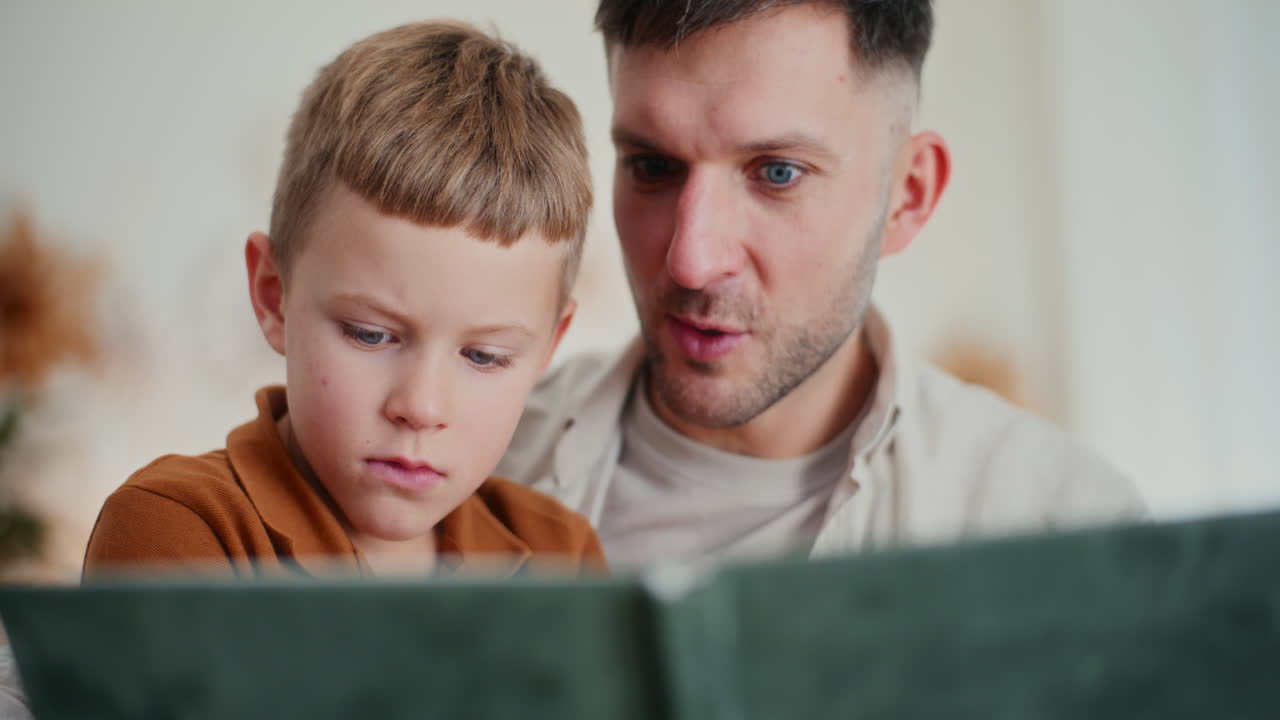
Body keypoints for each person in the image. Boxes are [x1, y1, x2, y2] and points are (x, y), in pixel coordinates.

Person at [496, 0, 1145, 568]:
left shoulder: (1063, 527)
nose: (691, 261)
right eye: (653, 165)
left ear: (907, 196)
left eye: (777, 173)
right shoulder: (467, 467)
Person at [82, 21, 603, 579]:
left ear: (550, 346)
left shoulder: (562, 558)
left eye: (484, 356)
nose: (422, 407)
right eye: (370, 334)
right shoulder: (178, 529)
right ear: (273, 297)